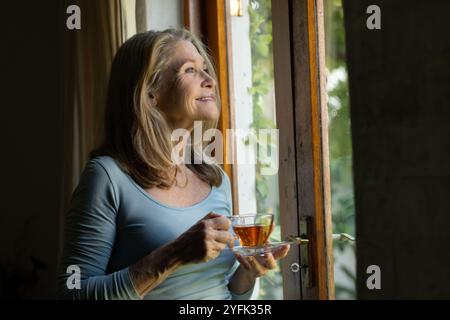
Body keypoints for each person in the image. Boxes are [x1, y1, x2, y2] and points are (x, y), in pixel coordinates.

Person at [57, 28, 290, 300]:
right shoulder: (107, 177)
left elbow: (223, 293)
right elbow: (71, 294)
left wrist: (248, 274)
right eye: (190, 70)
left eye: (205, 68)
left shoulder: (215, 178)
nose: (209, 80)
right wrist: (175, 254)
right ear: (150, 93)